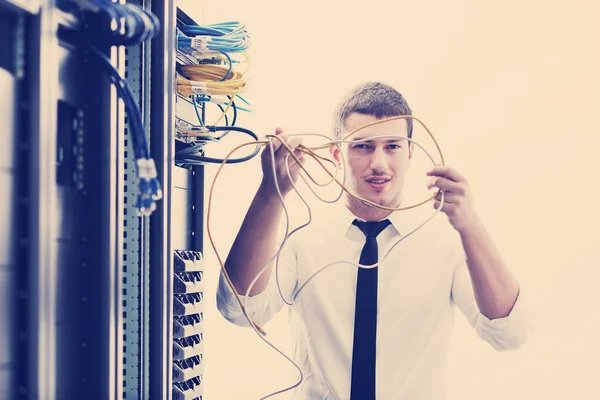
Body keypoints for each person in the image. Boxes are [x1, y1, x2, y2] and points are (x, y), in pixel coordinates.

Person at [216, 81, 531, 399]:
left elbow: (509, 335)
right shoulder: (301, 233)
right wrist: (270, 194)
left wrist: (470, 225)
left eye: (392, 146)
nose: (379, 163)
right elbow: (239, 311)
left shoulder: (445, 237)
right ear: (337, 154)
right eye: (363, 146)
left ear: (410, 153)